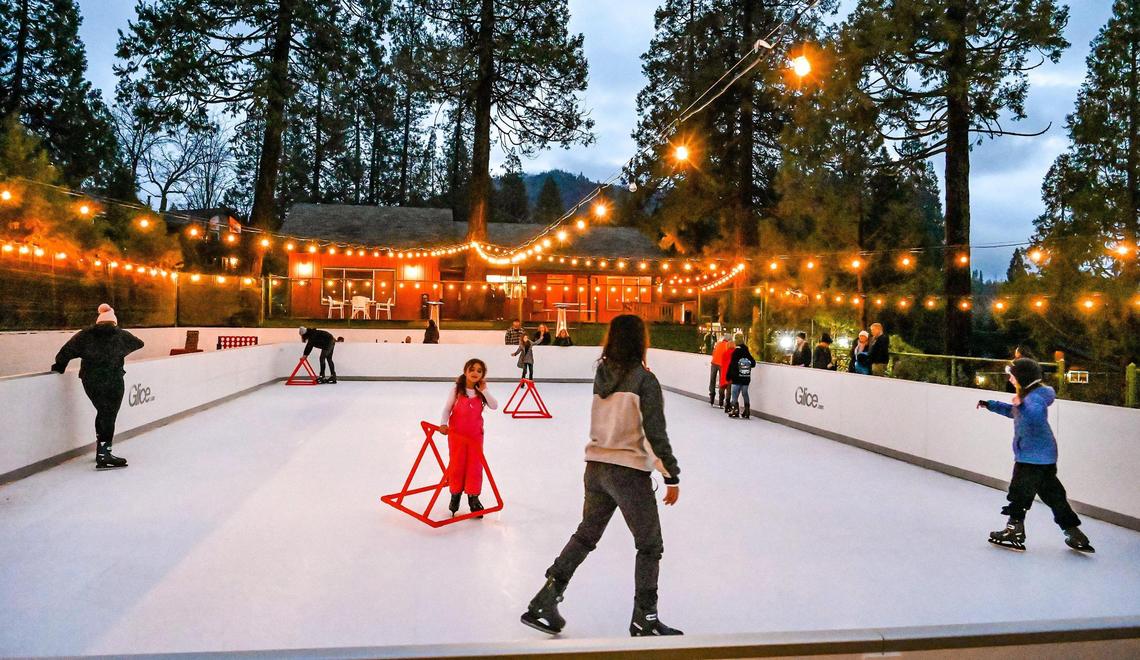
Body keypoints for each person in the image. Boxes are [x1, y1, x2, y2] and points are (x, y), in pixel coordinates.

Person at [521, 314, 683, 637]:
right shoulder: (644, 380)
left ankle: (545, 598)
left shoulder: (603, 374)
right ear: (640, 340)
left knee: (586, 535)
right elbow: (654, 434)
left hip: (595, 468)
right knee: (650, 545)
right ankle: (645, 618)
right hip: (626, 473)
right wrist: (670, 475)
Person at [976, 358, 1094, 553]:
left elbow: (1034, 413)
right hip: (1044, 457)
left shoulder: (1033, 399)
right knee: (1054, 495)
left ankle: (1014, 531)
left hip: (1031, 457)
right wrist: (991, 405)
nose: (1010, 379)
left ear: (1022, 378)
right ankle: (1074, 533)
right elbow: (1014, 411)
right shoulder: (1031, 396)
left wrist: (1022, 403)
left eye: (1012, 376)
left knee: (1020, 493)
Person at [51, 304, 145, 470]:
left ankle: (101, 451)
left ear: (98, 321)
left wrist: (59, 366)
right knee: (108, 414)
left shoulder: (85, 335)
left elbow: (65, 352)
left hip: (90, 380)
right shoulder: (121, 336)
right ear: (114, 322)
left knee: (103, 412)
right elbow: (139, 343)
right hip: (113, 380)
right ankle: (104, 454)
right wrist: (119, 348)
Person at [439, 358, 499, 517]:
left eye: (479, 371)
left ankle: (473, 498)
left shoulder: (481, 391)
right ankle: (455, 495)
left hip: (475, 437)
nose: (475, 373)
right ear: (465, 371)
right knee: (457, 464)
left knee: (474, 466)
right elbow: (447, 409)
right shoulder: (457, 390)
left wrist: (485, 390)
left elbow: (494, 406)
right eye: (472, 369)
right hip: (456, 436)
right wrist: (443, 424)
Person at [725, 332, 756, 419]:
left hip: (737, 377)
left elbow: (732, 365)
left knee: (734, 394)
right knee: (745, 393)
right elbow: (753, 363)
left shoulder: (735, 352)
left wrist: (728, 376)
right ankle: (747, 410)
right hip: (745, 377)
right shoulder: (746, 351)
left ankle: (735, 410)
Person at [710, 334, 734, 407]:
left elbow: (713, 353)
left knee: (712, 380)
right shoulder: (728, 345)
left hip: (714, 362)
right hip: (721, 364)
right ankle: (721, 402)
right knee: (722, 382)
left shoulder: (718, 343)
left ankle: (712, 398)